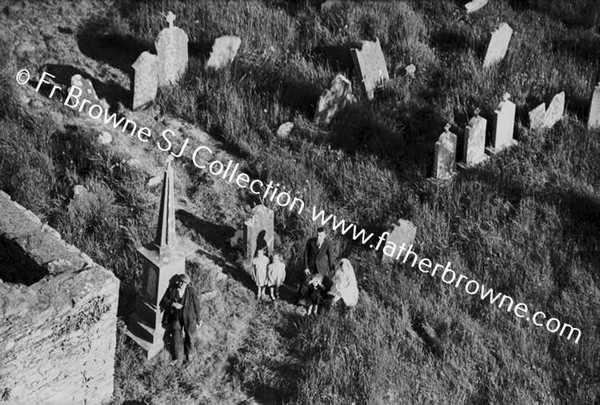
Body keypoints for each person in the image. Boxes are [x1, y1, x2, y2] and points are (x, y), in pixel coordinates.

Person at [159, 273, 201, 364]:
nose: (181, 284)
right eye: (180, 282)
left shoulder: (191, 291)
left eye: (184, 283)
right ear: (178, 281)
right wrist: (173, 304)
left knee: (190, 334)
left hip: (189, 316)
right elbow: (163, 302)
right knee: (176, 336)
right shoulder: (172, 290)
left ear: (187, 284)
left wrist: (198, 319)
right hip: (176, 316)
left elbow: (196, 305)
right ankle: (179, 357)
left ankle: (189, 355)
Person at [296, 226, 335, 304]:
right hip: (311, 267)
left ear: (324, 235)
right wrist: (306, 267)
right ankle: (298, 299)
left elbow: (331, 257)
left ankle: (317, 303)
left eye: (320, 235)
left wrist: (332, 269)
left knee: (319, 286)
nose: (318, 237)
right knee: (305, 282)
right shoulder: (311, 241)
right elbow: (305, 255)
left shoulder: (328, 243)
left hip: (321, 268)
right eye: (317, 235)